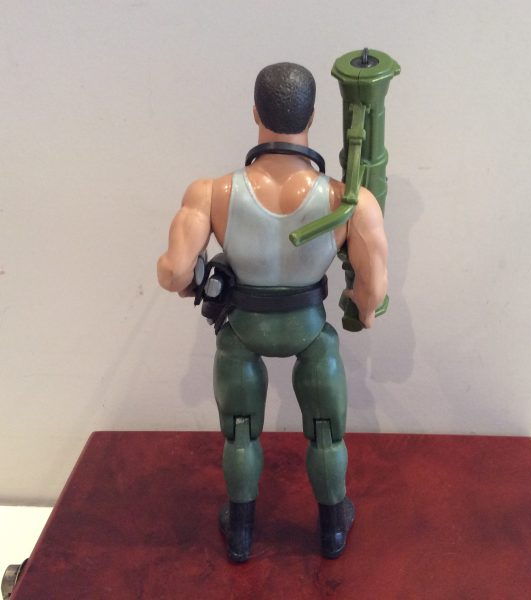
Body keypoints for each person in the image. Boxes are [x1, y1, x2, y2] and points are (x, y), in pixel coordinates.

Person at [157, 62, 388, 562]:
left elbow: (174, 273)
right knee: (326, 432)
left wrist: (194, 278)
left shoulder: (211, 193)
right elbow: (372, 295)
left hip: (242, 329)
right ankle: (332, 530)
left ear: (256, 113)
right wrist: (362, 311)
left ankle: (241, 533)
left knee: (240, 431)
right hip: (309, 329)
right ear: (313, 117)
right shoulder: (348, 200)